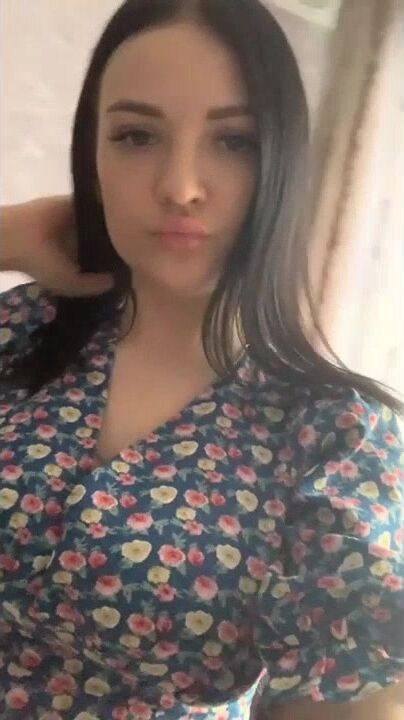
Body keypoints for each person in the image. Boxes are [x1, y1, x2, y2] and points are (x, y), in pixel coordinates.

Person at [0, 1, 403, 718]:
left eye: (233, 142)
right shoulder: (20, 332)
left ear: (283, 163)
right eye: (136, 136)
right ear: (91, 155)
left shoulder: (336, 441)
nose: (181, 186)